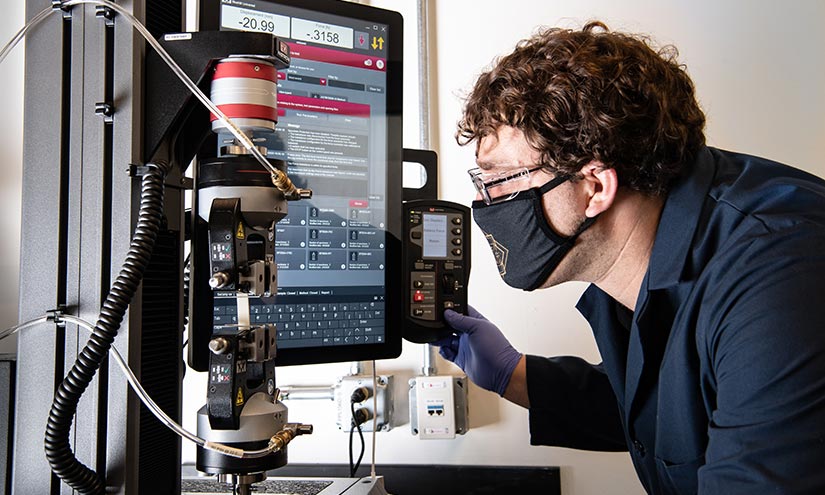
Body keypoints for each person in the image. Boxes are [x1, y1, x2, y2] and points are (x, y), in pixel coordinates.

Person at [434, 21, 825, 494]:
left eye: (500, 182)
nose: (487, 203)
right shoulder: (647, 258)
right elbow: (667, 415)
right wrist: (509, 373)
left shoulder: (776, 277)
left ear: (595, 186)